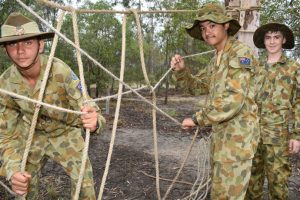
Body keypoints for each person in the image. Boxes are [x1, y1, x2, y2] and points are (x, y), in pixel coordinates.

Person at [0, 12, 106, 199]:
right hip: (32, 136)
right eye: (12, 44)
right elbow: (6, 136)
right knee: (22, 189)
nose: (20, 50)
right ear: (5, 50)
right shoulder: (5, 84)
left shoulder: (60, 70)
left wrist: (94, 121)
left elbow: (89, 107)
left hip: (66, 131)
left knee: (85, 187)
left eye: (28, 42)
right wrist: (13, 170)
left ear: (40, 45)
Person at [170, 3, 260, 199]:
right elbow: (197, 86)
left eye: (212, 25)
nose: (207, 32)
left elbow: (233, 99)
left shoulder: (240, 53)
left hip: (237, 145)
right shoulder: (216, 59)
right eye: (203, 28)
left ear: (226, 25)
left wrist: (197, 118)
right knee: (220, 193)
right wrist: (182, 71)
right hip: (221, 141)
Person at [245, 23, 300, 200]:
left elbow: (299, 103)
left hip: (278, 138)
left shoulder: (294, 68)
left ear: (283, 39)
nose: (272, 41)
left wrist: (297, 135)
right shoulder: (256, 68)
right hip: (252, 137)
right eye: (268, 37)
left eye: (276, 37)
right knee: (251, 185)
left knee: (278, 186)